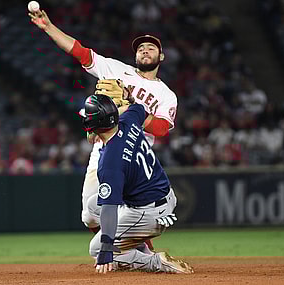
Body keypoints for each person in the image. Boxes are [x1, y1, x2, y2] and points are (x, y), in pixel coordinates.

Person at [29, 9, 178, 244]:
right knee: (90, 216)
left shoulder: (166, 94)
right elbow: (79, 52)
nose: (145, 50)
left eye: (151, 48)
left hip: (133, 157)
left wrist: (132, 105)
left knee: (127, 212)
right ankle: (128, 253)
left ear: (161, 57)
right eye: (140, 48)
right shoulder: (116, 69)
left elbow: (160, 129)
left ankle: (140, 255)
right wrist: (48, 27)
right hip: (102, 149)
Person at [79, 93, 193, 274]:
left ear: (92, 126)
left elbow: (109, 208)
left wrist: (107, 247)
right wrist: (128, 100)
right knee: (93, 206)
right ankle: (135, 245)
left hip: (147, 213)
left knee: (97, 249)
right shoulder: (129, 120)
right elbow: (139, 107)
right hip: (163, 196)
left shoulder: (110, 163)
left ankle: (155, 262)